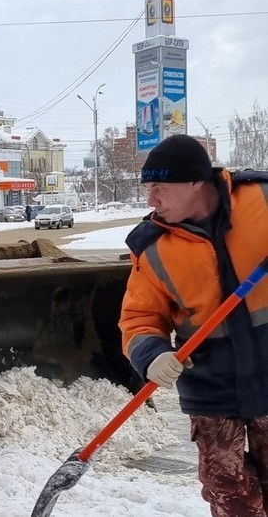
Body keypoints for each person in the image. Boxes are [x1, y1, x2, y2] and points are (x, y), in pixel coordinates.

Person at [119, 134, 268, 517]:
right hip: (212, 390)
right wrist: (152, 355)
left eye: (159, 188)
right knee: (230, 496)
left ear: (196, 182)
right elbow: (139, 318)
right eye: (148, 188)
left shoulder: (262, 199)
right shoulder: (152, 246)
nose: (151, 199)